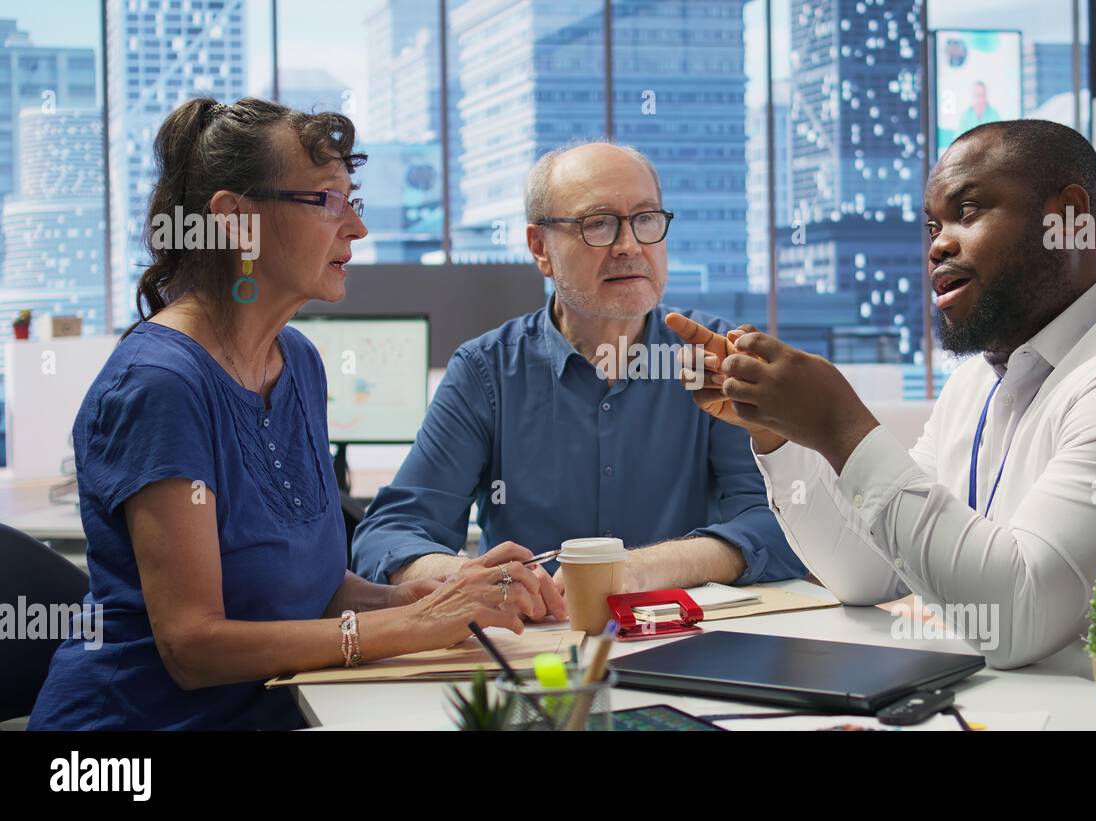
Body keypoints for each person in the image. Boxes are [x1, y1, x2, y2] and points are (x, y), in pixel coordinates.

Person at [673, 119, 1096, 729]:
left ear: (1069, 218)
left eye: (967, 212)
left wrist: (840, 424)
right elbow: (866, 573)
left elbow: (1016, 617)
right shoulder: (983, 379)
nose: (937, 244)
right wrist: (780, 434)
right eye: (931, 226)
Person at [30, 97, 544, 731]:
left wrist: (415, 598)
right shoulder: (160, 386)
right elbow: (193, 647)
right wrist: (403, 627)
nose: (355, 228)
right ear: (236, 219)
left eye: (353, 201)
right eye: (328, 200)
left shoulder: (297, 361)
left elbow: (311, 589)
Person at [352, 141, 803, 607]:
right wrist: (473, 579)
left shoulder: (710, 355)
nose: (629, 246)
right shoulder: (486, 372)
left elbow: (782, 522)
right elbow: (389, 536)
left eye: (646, 219)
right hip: (534, 646)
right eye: (598, 224)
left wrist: (640, 569)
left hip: (687, 638)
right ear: (540, 248)